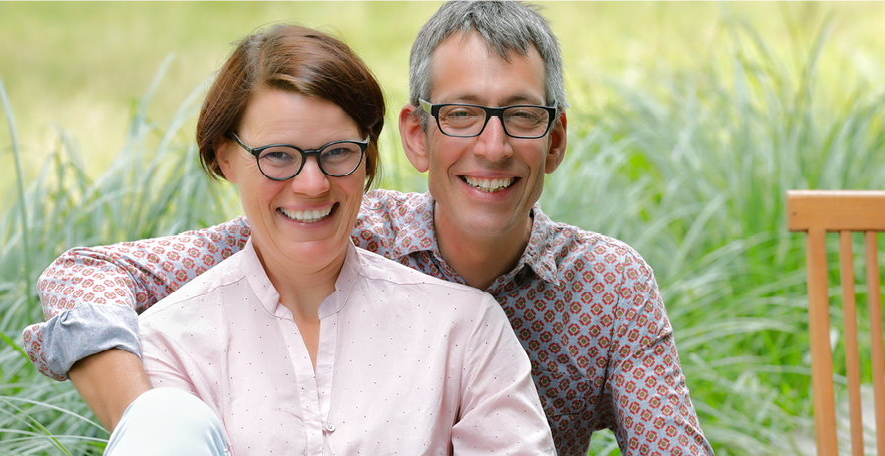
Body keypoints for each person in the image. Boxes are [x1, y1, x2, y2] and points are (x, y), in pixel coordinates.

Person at [24, 2, 714, 455]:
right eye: (462, 114)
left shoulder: (607, 288)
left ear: (555, 139)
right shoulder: (337, 225)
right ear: (416, 136)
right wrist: (149, 418)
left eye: (521, 116)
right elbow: (87, 274)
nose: (493, 146)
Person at [102, 24, 554, 455]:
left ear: (368, 155)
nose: (313, 184)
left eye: (338, 152)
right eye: (278, 156)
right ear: (226, 157)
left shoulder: (464, 330)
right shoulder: (169, 346)